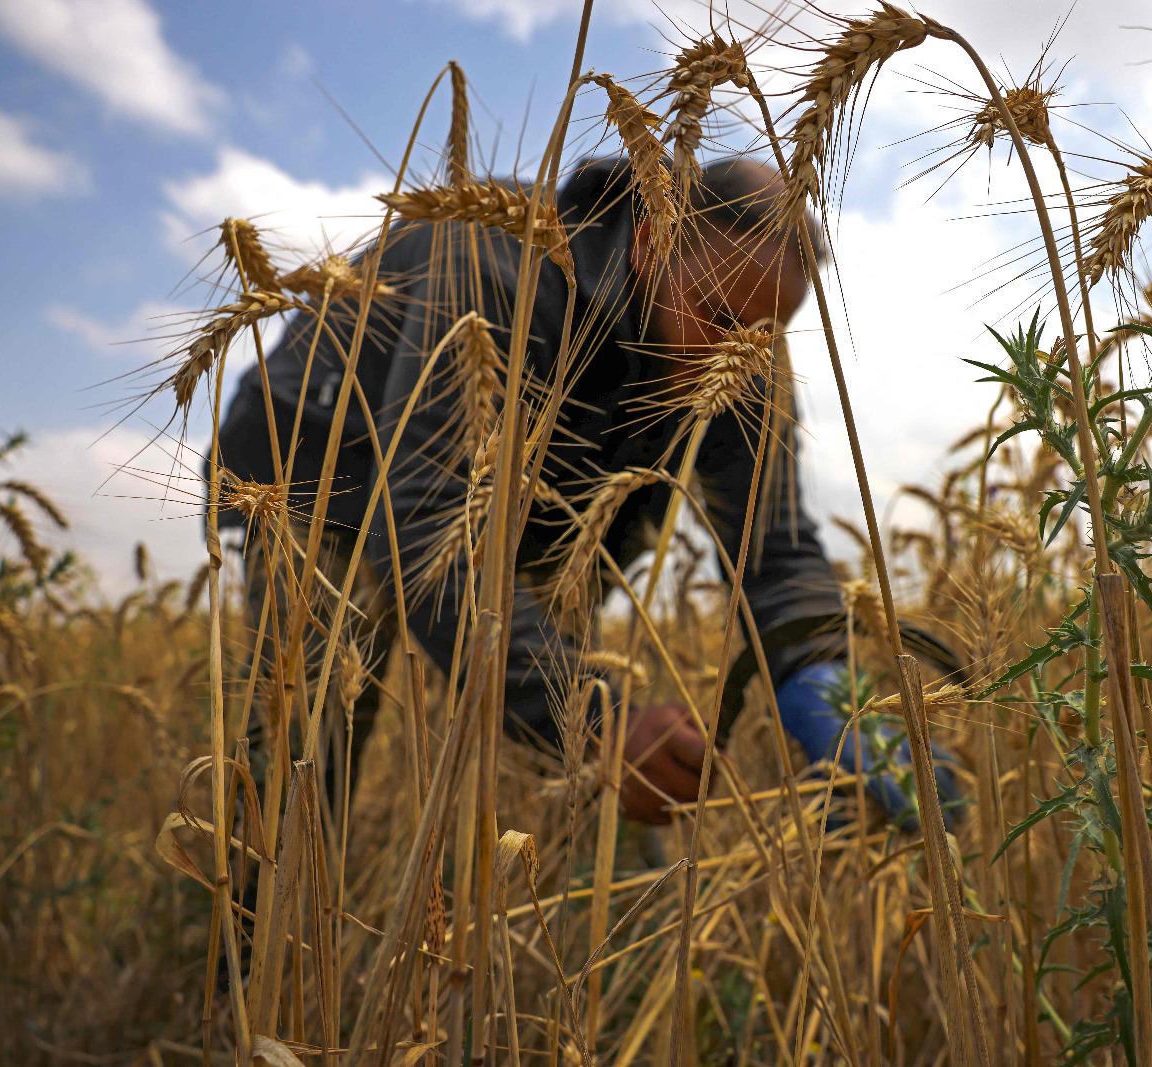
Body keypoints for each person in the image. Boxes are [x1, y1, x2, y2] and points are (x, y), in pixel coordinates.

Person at [213, 155, 955, 828]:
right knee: (304, 745)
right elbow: (427, 520)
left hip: (536, 515)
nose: (737, 358)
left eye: (763, 339)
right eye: (720, 319)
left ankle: (577, 943)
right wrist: (596, 720)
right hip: (324, 467)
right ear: (651, 243)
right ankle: (255, 950)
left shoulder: (740, 352)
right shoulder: (502, 264)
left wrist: (826, 689)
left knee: (601, 761)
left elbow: (776, 549)